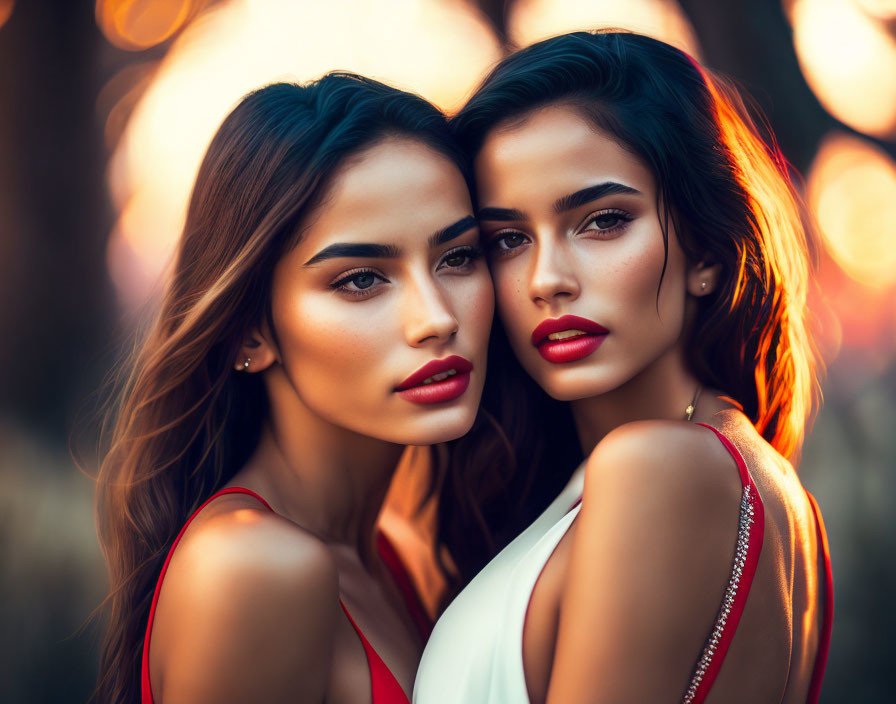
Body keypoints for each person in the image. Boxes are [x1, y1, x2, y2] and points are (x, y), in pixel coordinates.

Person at [415, 31, 832, 704]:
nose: (547, 280)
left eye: (603, 221)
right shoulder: (775, 490)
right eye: (509, 240)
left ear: (704, 251)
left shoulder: (656, 466)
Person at [95, 74, 493, 704]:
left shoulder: (392, 558)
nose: (438, 316)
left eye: (458, 257)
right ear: (250, 333)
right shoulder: (252, 565)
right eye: (361, 280)